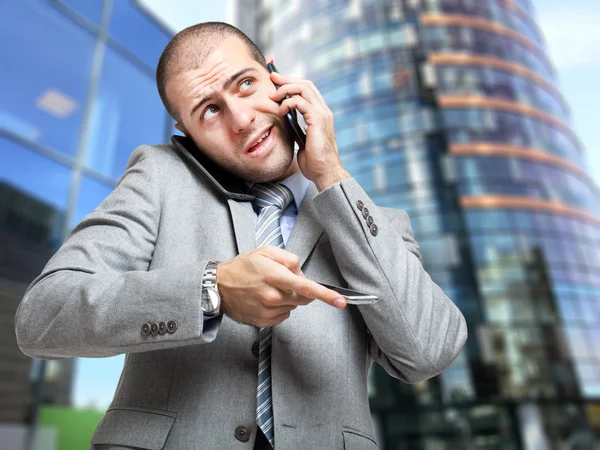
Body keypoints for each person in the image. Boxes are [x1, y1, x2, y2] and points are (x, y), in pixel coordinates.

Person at [15, 22, 467, 450]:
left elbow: (427, 353)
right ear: (186, 133)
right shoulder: (159, 177)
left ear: (276, 78)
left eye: (246, 84)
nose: (241, 119)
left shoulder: (378, 224)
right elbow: (42, 317)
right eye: (209, 110)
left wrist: (331, 174)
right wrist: (212, 289)